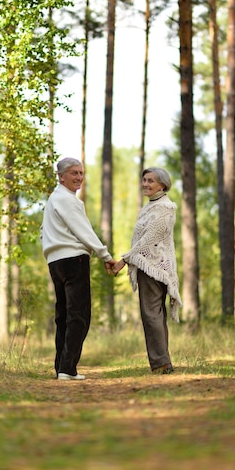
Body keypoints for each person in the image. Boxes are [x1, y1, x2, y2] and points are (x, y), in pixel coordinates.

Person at [41, 157, 115, 381]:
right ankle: (67, 368)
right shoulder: (67, 200)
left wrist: (51, 253)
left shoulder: (54, 199)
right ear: (61, 176)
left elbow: (43, 231)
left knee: (64, 315)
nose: (79, 177)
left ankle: (61, 367)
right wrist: (105, 255)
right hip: (74, 261)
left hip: (56, 263)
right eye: (74, 173)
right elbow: (84, 230)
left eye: (81, 173)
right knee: (79, 316)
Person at [112, 167, 182, 374]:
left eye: (151, 181)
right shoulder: (151, 206)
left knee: (151, 314)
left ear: (163, 184)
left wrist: (124, 260)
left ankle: (162, 363)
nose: (145, 184)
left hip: (153, 267)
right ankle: (162, 362)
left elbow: (148, 239)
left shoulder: (164, 208)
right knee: (155, 314)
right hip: (148, 265)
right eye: (144, 180)